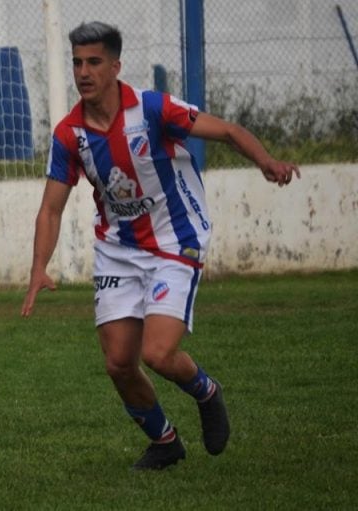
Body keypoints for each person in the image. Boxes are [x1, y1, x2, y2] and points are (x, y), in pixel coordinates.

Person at [22, 22, 299, 470]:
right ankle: (165, 442)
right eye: (76, 62)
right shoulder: (68, 134)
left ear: (116, 65)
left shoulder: (153, 109)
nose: (83, 72)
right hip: (117, 248)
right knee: (118, 363)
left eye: (93, 62)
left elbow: (227, 131)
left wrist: (267, 162)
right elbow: (50, 209)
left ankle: (206, 391)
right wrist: (39, 267)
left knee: (158, 353)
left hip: (175, 238)